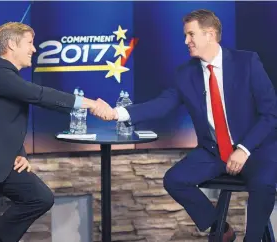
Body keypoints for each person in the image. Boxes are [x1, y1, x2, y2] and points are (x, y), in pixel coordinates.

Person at [93, 9, 277, 242]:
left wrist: (244, 149)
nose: (185, 41)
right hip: (214, 151)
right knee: (175, 179)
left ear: (209, 35)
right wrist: (116, 113)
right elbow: (161, 105)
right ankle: (220, 228)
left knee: (263, 185)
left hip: (256, 149)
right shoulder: (185, 74)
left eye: (191, 35)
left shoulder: (247, 62)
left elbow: (270, 114)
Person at [0, 22, 112, 242]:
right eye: (30, 43)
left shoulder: (7, 78)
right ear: (12, 44)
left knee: (40, 197)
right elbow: (41, 95)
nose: (34, 49)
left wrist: (20, 152)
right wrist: (91, 104)